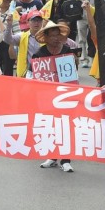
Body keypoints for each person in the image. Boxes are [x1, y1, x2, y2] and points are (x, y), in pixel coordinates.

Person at [34, 21, 78, 172]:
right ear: (45, 38)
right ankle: (52, 156)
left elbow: (73, 74)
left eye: (57, 35)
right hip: (47, 97)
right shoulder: (39, 55)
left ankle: (66, 159)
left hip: (66, 95)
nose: (55, 38)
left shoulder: (67, 51)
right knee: (51, 126)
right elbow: (33, 75)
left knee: (66, 126)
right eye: (52, 36)